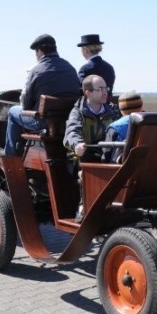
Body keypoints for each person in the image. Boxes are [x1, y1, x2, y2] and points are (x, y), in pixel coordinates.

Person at [2, 34, 81, 156]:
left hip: (43, 122)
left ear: (39, 51)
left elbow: (26, 104)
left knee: (12, 112)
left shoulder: (36, 70)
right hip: (68, 119)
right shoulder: (70, 68)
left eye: (36, 52)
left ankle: (10, 153)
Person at [63, 75, 120, 221]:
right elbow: (71, 132)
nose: (105, 92)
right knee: (87, 161)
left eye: (106, 88)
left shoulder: (112, 111)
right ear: (88, 92)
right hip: (82, 156)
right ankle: (84, 206)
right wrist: (77, 144)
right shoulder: (78, 112)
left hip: (106, 153)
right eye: (100, 89)